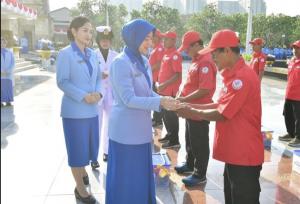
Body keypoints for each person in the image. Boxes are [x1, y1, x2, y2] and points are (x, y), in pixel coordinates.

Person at [177, 29, 264, 204]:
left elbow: (222, 114)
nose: (213, 57)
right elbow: (220, 104)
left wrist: (192, 111)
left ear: (227, 50)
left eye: (215, 53)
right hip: (235, 153)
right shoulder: (232, 76)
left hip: (244, 155)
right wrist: (190, 106)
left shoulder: (242, 78)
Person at [105, 19, 181, 204]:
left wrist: (164, 100)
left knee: (139, 174)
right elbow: (128, 99)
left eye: (151, 38)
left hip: (141, 130)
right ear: (134, 38)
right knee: (127, 177)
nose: (150, 43)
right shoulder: (120, 63)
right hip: (125, 131)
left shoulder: (144, 61)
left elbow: (148, 91)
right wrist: (159, 101)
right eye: (146, 39)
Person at [56, 16, 103, 204]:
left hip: (92, 110)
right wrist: (84, 95)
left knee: (90, 148)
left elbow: (99, 76)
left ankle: (82, 172)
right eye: (84, 30)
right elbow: (62, 81)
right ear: (74, 31)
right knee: (77, 151)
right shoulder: (65, 54)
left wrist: (98, 93)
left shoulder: (93, 54)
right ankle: (81, 190)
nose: (88, 34)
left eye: (90, 31)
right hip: (74, 112)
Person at [175, 31, 217, 186]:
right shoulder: (196, 59)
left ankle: (200, 174)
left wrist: (184, 99)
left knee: (199, 142)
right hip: (190, 109)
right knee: (190, 139)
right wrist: (181, 94)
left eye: (188, 47)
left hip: (199, 110)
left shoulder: (205, 61)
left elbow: (204, 89)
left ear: (197, 45)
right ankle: (190, 164)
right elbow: (190, 83)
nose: (186, 51)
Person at [95, 25, 118, 164]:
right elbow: (88, 74)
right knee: (96, 125)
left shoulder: (116, 56)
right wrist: (99, 75)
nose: (105, 42)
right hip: (97, 94)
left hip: (111, 94)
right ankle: (93, 156)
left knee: (110, 124)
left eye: (108, 39)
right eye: (103, 39)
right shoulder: (92, 54)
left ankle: (107, 151)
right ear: (98, 40)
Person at [157, 30, 182, 149]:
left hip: (169, 91)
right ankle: (169, 135)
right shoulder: (166, 54)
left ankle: (174, 140)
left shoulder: (175, 55)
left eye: (166, 39)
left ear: (173, 41)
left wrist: (164, 85)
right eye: (163, 39)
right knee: (165, 116)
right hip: (163, 90)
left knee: (171, 116)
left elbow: (177, 75)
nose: (164, 41)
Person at [278, 40, 300, 147]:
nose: (295, 50)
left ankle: (298, 138)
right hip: (289, 94)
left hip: (298, 97)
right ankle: (291, 134)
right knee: (288, 115)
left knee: (298, 118)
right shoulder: (292, 61)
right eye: (294, 48)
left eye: (297, 48)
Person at [149, 29, 165, 128]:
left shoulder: (159, 49)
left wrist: (147, 70)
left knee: (157, 99)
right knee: (155, 99)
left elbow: (159, 64)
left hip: (157, 79)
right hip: (154, 78)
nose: (151, 38)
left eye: (152, 36)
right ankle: (155, 118)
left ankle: (158, 120)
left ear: (157, 37)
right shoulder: (156, 48)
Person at [1, 37, 15, 107]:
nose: (2, 44)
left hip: (8, 74)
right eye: (1, 42)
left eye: (4, 43)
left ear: (6, 44)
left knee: (8, 87)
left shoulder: (10, 52)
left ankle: (8, 101)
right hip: (1, 74)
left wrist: (8, 70)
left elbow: (13, 63)